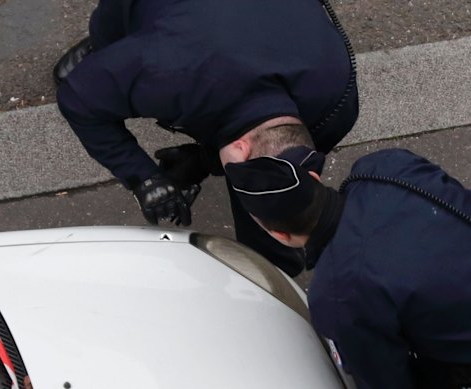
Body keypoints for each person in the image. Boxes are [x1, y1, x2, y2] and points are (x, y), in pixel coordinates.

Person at [54, 0, 359, 277]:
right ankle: (105, 49)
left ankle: (269, 276)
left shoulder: (337, 102)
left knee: (261, 188)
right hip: (172, 32)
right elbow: (79, 98)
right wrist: (144, 179)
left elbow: (270, 169)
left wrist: (205, 160)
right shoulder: (162, 71)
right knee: (113, 28)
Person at [225, 147, 471, 389]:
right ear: (312, 177)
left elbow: (382, 377)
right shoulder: (384, 165)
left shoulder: (339, 294)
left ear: (280, 234)